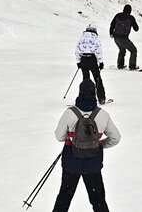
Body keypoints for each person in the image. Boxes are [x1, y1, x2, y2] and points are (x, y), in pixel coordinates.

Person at [52, 80, 121, 212]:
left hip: (71, 163)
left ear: (79, 92)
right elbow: (116, 138)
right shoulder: (102, 114)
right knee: (98, 200)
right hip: (93, 164)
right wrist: (99, 145)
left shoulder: (70, 113)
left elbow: (59, 136)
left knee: (64, 198)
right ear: (94, 93)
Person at [75, 24, 108, 104]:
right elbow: (98, 51)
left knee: (86, 79)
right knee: (97, 79)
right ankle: (101, 98)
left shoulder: (81, 38)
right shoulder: (95, 39)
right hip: (92, 59)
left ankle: (84, 97)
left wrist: (78, 62)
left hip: (83, 59)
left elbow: (77, 51)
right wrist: (101, 62)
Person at [108, 5, 139, 70]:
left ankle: (120, 65)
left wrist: (111, 33)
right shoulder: (131, 18)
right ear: (130, 10)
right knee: (133, 50)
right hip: (124, 38)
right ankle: (132, 66)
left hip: (116, 37)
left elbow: (112, 24)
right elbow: (136, 29)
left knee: (122, 50)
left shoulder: (118, 15)